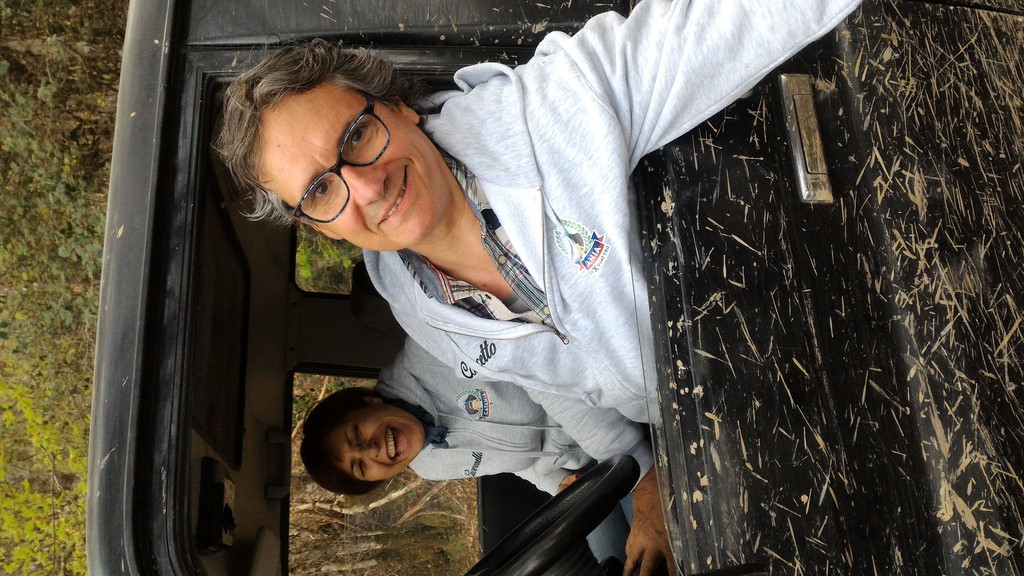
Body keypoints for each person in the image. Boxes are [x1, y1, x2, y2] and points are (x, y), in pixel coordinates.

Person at [216, 2, 862, 573]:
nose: (365, 185)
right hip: (720, 428)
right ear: (318, 226)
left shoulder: (557, 106)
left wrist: (639, 476)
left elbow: (719, 26)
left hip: (817, 335)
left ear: (397, 105)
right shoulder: (419, 310)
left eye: (357, 135)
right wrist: (618, 477)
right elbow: (551, 389)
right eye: (320, 190)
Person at [300, 339, 647, 565]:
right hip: (587, 472)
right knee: (619, 563)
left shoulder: (428, 350)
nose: (371, 450)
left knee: (652, 543)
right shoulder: (429, 465)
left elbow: (541, 372)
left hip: (606, 416)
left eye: (356, 434)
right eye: (361, 467)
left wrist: (613, 455)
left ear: (367, 402)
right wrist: (558, 485)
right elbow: (520, 463)